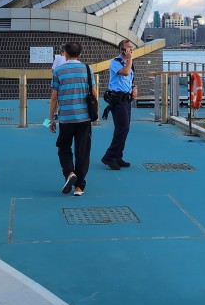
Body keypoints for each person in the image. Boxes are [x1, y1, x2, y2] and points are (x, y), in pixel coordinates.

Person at [48, 41, 95, 197]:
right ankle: (79, 187)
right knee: (82, 151)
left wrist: (51, 119)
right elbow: (94, 94)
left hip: (66, 118)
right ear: (80, 54)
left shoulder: (58, 71)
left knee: (63, 146)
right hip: (84, 118)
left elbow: (54, 98)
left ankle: (69, 173)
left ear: (65, 54)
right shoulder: (88, 69)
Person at [100, 39, 138, 170]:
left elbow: (130, 78)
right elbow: (125, 72)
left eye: (131, 47)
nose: (130, 50)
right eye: (128, 47)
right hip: (117, 99)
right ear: (121, 49)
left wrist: (134, 87)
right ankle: (109, 157)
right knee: (122, 128)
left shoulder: (129, 63)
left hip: (126, 99)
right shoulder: (115, 63)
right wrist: (130, 59)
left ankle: (118, 156)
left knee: (124, 129)